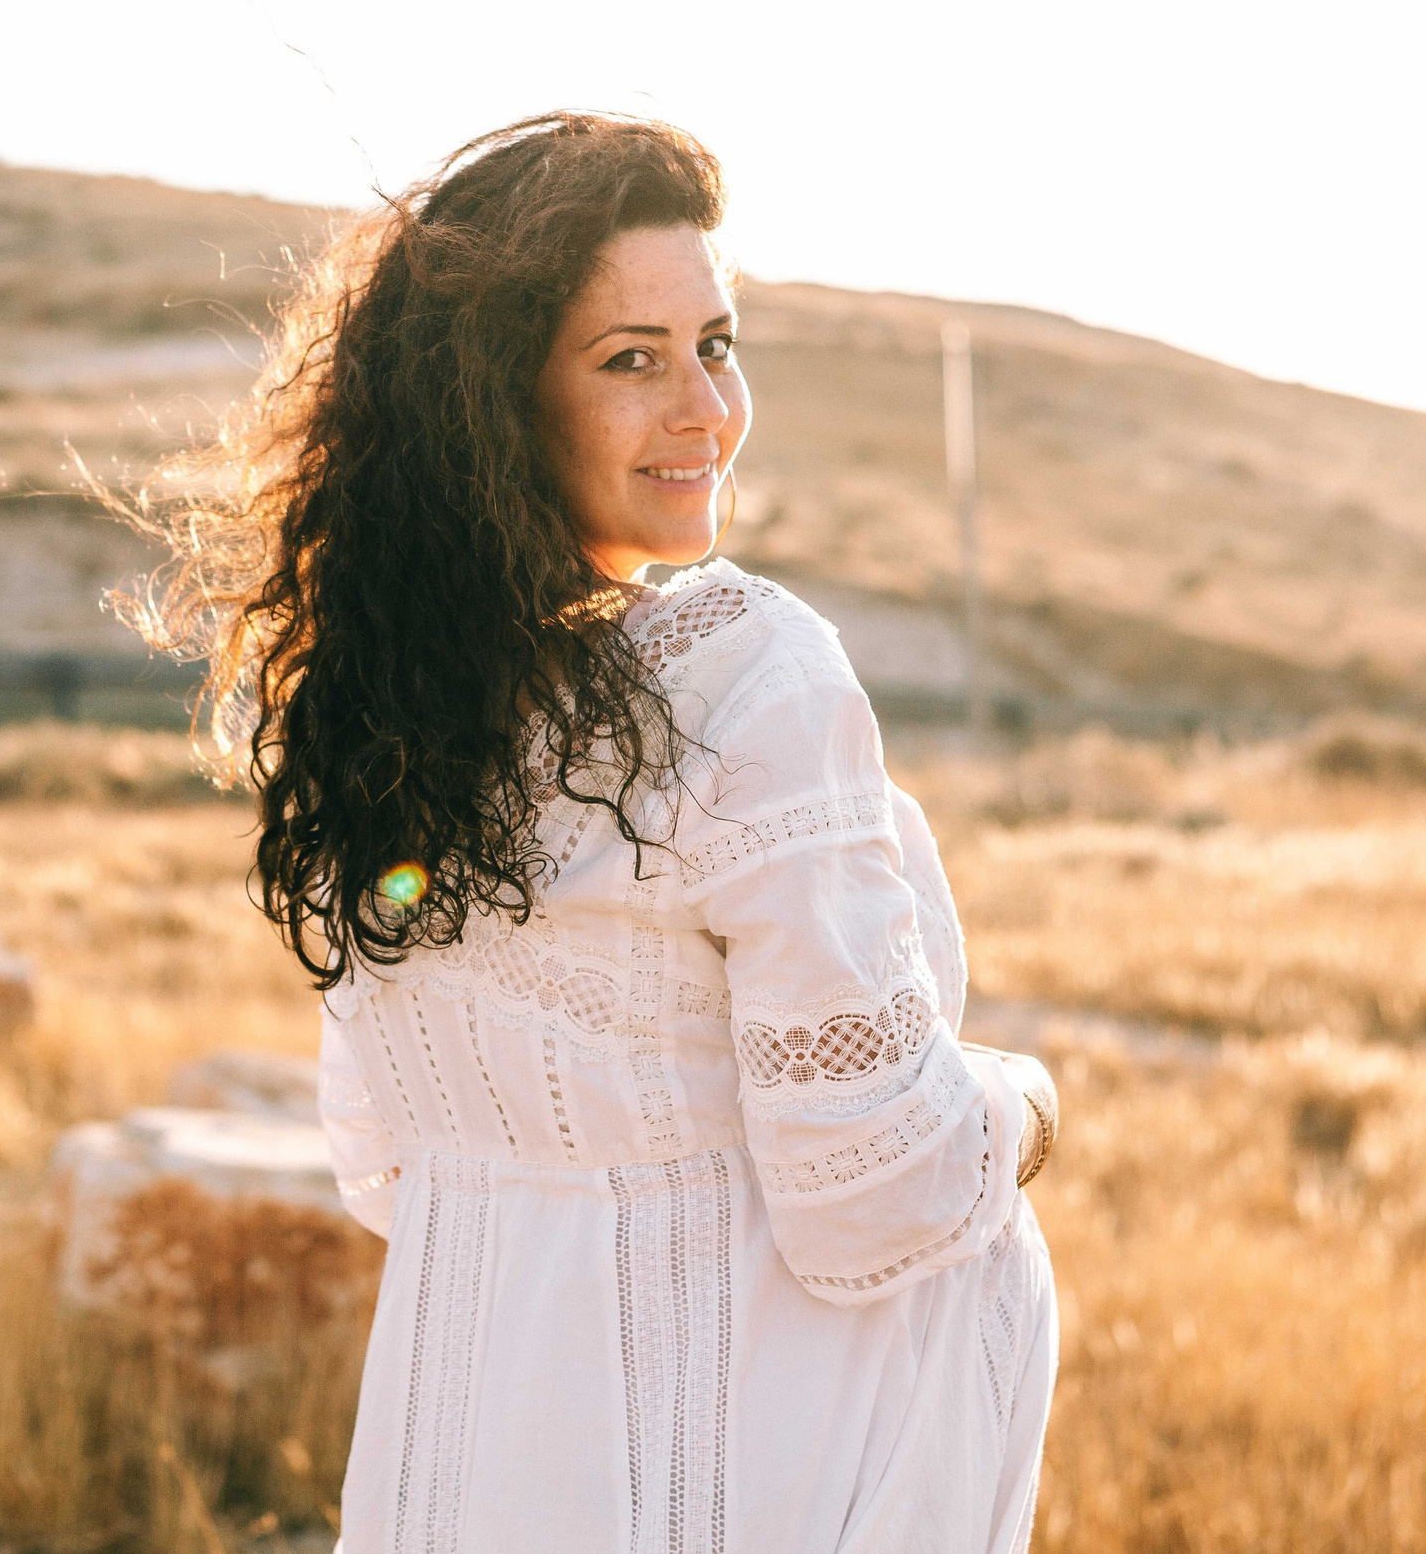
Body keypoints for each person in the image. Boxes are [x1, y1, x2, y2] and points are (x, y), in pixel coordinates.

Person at [118, 112, 1060, 1554]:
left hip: (474, 1445)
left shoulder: (372, 710)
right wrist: (1023, 1104)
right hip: (751, 1464)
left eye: (717, 344)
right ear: (497, 401)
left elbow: (385, 1159)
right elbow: (868, 1198)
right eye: (632, 359)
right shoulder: (750, 670)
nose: (706, 409)